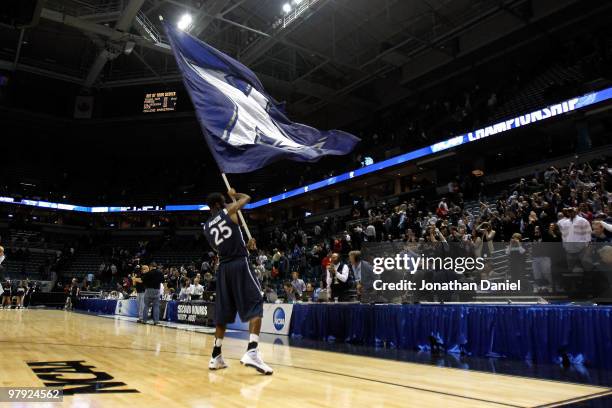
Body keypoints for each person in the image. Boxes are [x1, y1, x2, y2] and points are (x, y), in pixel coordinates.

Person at [202, 188, 272, 375]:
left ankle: (215, 355)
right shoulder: (228, 211)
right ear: (219, 204)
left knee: (223, 313)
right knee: (256, 302)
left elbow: (221, 247)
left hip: (224, 268)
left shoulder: (206, 227)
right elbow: (247, 198)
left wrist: (246, 246)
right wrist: (234, 195)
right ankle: (252, 351)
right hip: (240, 264)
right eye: (223, 202)